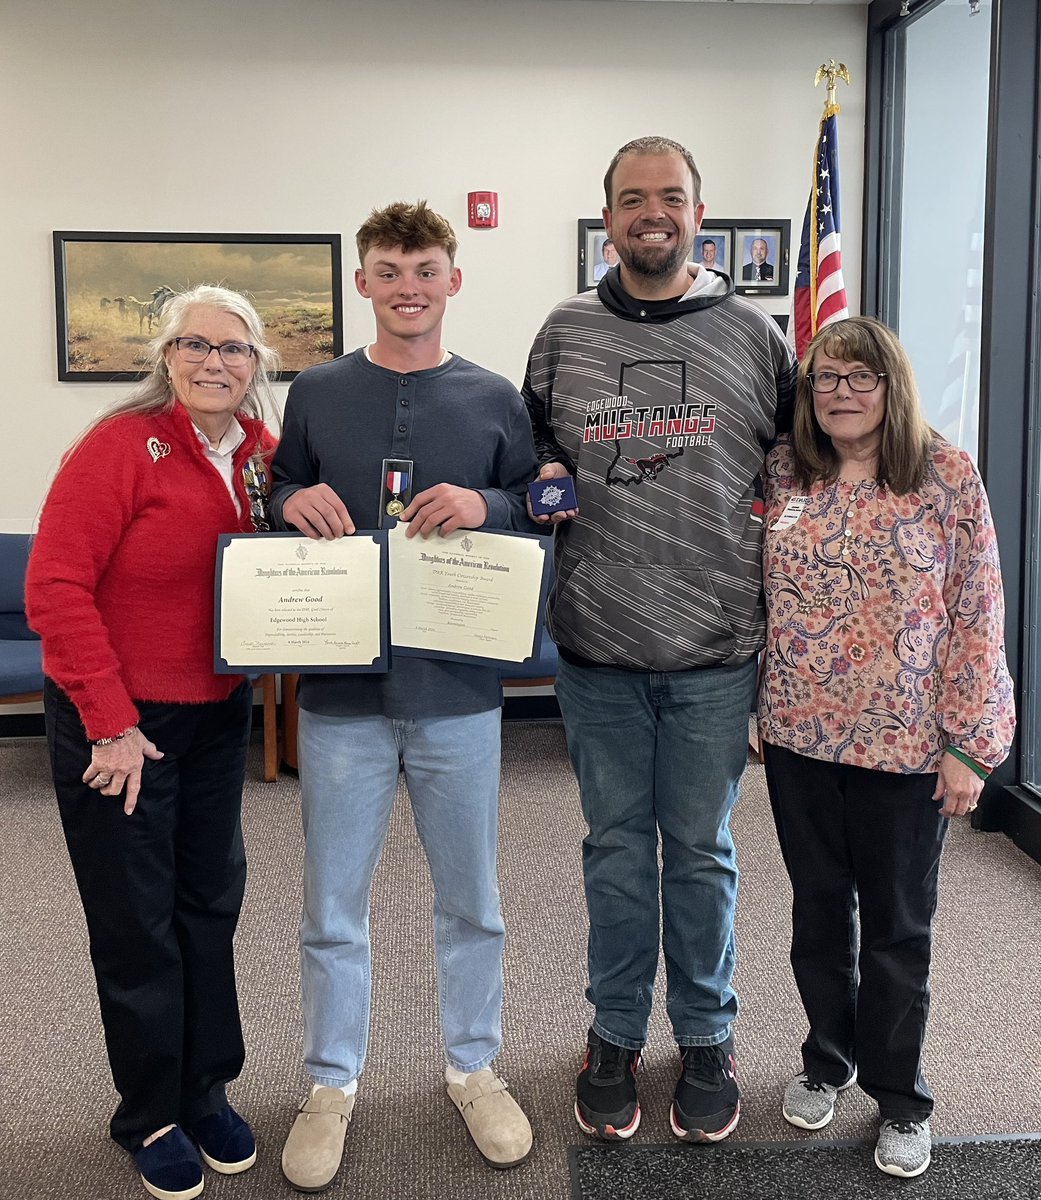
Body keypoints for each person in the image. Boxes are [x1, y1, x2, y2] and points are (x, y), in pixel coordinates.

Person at [523, 136, 796, 1144]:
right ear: (608, 219)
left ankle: (710, 1039)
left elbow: (807, 471)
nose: (653, 212)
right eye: (633, 198)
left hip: (718, 657)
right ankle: (614, 1033)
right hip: (596, 650)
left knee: (700, 856)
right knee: (613, 856)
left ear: (698, 212)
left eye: (670, 197)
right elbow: (536, 451)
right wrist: (540, 480)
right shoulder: (564, 333)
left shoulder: (754, 337)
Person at [271, 200, 535, 1193]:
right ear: (364, 283)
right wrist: (288, 499)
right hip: (340, 695)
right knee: (332, 906)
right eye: (389, 269)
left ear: (452, 280)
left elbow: (542, 508)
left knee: (472, 901)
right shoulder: (319, 393)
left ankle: (474, 1067)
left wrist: (491, 504)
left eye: (426, 267)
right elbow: (279, 490)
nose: (408, 285)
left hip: (459, 690)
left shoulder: (495, 398)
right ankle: (331, 1085)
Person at [25, 286, 279, 1200]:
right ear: (166, 355)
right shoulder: (118, 447)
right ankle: (149, 1113)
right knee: (137, 921)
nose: (216, 362)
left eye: (236, 348)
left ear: (259, 365)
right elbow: (54, 586)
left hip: (216, 716)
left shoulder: (261, 454)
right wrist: (110, 720)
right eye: (196, 344)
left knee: (209, 905)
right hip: (119, 724)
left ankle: (205, 1088)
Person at [757, 316, 1015, 1178]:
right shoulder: (787, 469)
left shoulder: (943, 473)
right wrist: (755, 700)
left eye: (858, 377)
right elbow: (759, 594)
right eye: (823, 379)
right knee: (818, 915)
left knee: (897, 929)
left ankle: (901, 1100)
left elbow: (978, 611)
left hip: (907, 748)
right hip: (799, 737)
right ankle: (826, 1060)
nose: (838, 393)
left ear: (891, 384)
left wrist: (970, 745)